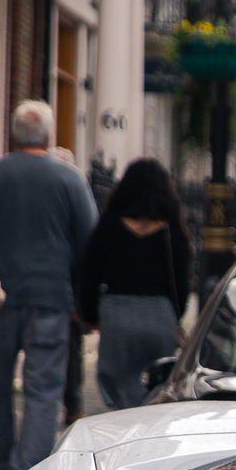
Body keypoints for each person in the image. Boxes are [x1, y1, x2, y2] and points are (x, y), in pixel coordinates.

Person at [0, 99, 98, 470]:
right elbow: (88, 240)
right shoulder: (70, 178)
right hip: (51, 300)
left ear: (13, 134)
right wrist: (80, 297)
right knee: (43, 391)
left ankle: (2, 466)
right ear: (49, 134)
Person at [80, 158, 194, 410]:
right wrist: (174, 316)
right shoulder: (172, 231)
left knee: (119, 391)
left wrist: (90, 315)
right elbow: (182, 286)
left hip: (118, 315)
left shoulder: (108, 226)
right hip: (159, 317)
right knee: (155, 389)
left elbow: (88, 276)